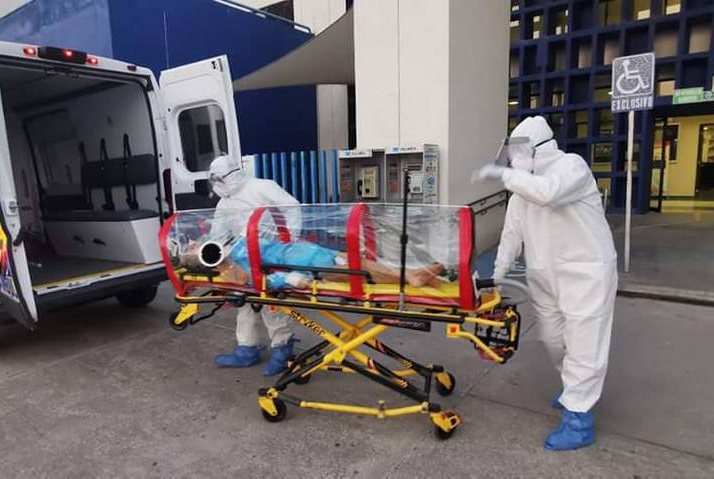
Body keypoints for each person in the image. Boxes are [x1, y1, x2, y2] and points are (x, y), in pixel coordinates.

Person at [473, 116, 617, 451]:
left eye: (517, 153)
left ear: (538, 149)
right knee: (553, 340)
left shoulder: (571, 167)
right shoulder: (522, 191)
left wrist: (503, 175)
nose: (513, 160)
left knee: (584, 344)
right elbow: (510, 238)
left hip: (586, 274)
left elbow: (549, 193)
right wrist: (495, 277)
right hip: (544, 277)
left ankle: (579, 418)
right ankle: (573, 388)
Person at [206, 155, 300, 377]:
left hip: (271, 256)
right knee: (244, 304)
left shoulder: (262, 187)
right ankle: (247, 348)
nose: (218, 184)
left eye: (220, 178)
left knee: (271, 305)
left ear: (232, 173)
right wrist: (212, 252)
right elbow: (218, 233)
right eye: (214, 180)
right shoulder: (224, 202)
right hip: (242, 260)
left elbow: (292, 208)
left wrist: (288, 241)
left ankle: (283, 349)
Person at [179, 236, 446, 289]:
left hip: (307, 252)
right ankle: (414, 276)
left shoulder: (230, 242)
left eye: (191, 243)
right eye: (191, 248)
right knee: (362, 271)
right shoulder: (228, 266)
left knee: (362, 264)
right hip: (310, 265)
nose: (193, 242)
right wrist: (290, 279)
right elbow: (253, 281)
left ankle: (414, 275)